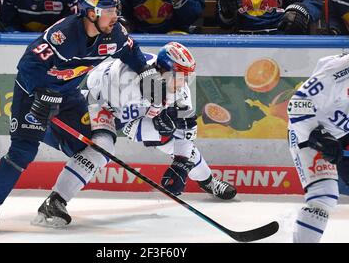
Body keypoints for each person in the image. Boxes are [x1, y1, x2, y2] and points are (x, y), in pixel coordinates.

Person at [0, 0, 163, 234]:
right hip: (34, 94)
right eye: (108, 10)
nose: (115, 15)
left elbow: (132, 53)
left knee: (90, 148)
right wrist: (42, 97)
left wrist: (148, 75)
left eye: (115, 9)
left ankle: (54, 204)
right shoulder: (62, 36)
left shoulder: (114, 33)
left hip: (67, 97)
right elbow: (27, 67)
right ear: (91, 13)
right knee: (23, 151)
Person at [31, 41, 237, 228]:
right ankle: (56, 200)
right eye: (180, 76)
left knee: (172, 137)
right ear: (164, 70)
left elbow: (187, 127)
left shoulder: (177, 87)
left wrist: (181, 164)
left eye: (187, 76)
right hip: (99, 101)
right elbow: (129, 127)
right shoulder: (127, 80)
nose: (184, 83)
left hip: (136, 107)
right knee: (102, 146)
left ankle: (208, 181)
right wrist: (159, 124)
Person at [287, 20, 349, 243]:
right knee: (323, 195)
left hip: (348, 133)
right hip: (312, 132)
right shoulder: (339, 72)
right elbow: (297, 104)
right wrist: (317, 138)